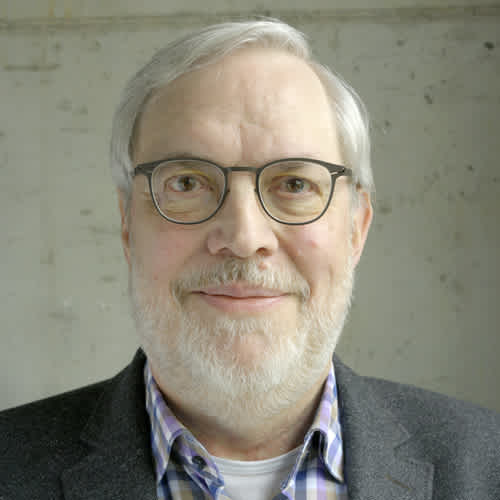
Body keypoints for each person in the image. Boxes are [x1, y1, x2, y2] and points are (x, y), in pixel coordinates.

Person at [1, 19, 499, 500]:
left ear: (356, 228)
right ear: (128, 223)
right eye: (188, 183)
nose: (243, 237)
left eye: (295, 184)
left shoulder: (487, 465)